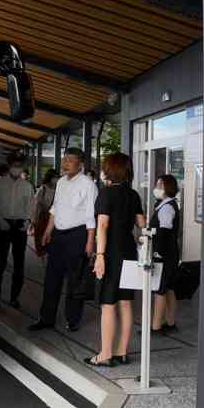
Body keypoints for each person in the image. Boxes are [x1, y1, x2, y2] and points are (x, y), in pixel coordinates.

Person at [85, 153, 146, 367]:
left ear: (109, 170)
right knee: (126, 303)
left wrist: (100, 256)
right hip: (129, 252)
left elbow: (102, 225)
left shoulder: (105, 194)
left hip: (111, 253)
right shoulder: (133, 195)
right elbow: (142, 224)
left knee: (108, 304)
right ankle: (122, 352)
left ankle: (105, 355)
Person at [29, 148, 98, 333]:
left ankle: (73, 320)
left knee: (75, 281)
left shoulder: (88, 184)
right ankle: (46, 318)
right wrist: (48, 231)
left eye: (69, 160)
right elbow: (55, 208)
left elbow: (91, 215)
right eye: (64, 159)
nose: (65, 163)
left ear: (80, 163)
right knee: (52, 278)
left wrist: (90, 242)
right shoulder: (61, 182)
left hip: (78, 236)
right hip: (58, 236)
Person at [0, 156, 34, 308]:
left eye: (20, 166)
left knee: (19, 264)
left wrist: (28, 221)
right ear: (9, 166)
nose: (17, 168)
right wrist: (0, 221)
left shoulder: (27, 186)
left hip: (20, 226)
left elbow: (30, 205)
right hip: (3, 225)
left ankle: (14, 298)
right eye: (14, 165)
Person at [150, 174, 181, 334]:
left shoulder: (167, 207)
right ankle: (170, 322)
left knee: (160, 289)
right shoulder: (166, 205)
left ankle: (156, 326)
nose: (157, 188)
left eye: (160, 185)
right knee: (168, 288)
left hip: (165, 254)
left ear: (168, 187)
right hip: (170, 253)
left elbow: (164, 231)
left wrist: (157, 251)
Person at [28, 168, 58, 257]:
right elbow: (35, 205)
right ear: (49, 178)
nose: (56, 179)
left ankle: (49, 254)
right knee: (40, 239)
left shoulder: (59, 189)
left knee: (52, 239)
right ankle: (43, 255)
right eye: (54, 177)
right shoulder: (43, 189)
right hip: (42, 218)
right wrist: (33, 220)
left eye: (57, 177)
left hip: (54, 219)